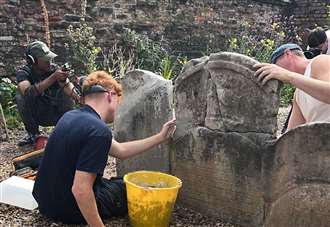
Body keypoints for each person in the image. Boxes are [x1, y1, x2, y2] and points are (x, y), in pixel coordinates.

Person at [32, 71, 176, 226]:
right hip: (69, 209)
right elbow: (80, 190)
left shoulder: (70, 116)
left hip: (45, 202)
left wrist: (160, 137)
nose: (117, 108)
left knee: (119, 182)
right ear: (110, 95)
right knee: (128, 191)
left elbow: (120, 150)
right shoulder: (98, 131)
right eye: (118, 102)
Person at [16, 40, 81, 146]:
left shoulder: (54, 69)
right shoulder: (24, 72)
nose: (49, 62)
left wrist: (79, 98)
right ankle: (33, 134)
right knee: (20, 96)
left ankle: (66, 130)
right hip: (38, 113)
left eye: (50, 59)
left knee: (65, 89)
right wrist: (53, 77)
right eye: (45, 60)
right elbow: (28, 93)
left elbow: (68, 87)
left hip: (56, 112)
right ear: (33, 61)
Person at [254, 43, 330, 131]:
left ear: (287, 54)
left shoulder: (320, 61)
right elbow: (291, 134)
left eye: (276, 65)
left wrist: (289, 76)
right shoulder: (298, 94)